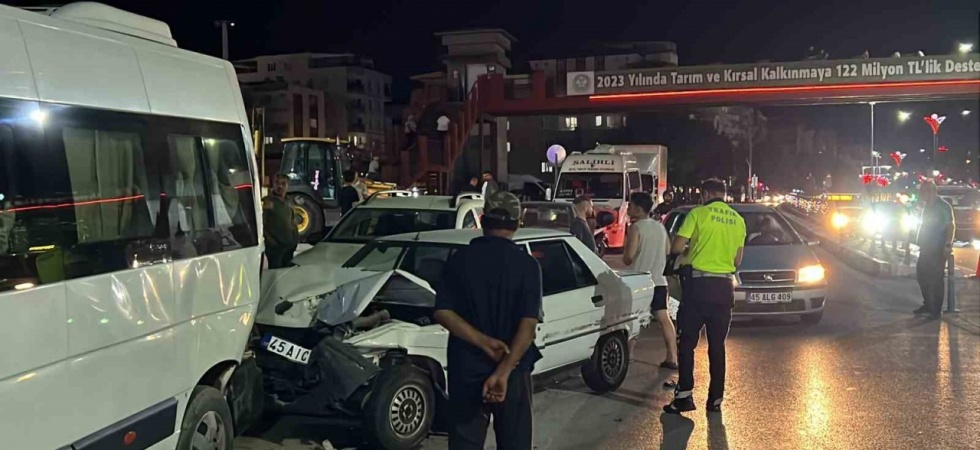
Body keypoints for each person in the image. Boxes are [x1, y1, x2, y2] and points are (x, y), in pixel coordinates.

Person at [434, 191, 542, 450]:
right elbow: (527, 328)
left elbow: (442, 312)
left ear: (483, 220)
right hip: (513, 373)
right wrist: (503, 372)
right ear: (517, 224)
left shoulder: (459, 261)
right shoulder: (527, 266)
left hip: (466, 371)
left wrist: (482, 342)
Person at [665, 179, 745, 414]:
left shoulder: (698, 214)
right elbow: (737, 261)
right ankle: (716, 399)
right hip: (723, 289)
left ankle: (684, 397)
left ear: (707, 194)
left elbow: (677, 247)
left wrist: (692, 251)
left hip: (698, 287)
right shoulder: (738, 220)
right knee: (717, 346)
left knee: (687, 343)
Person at [622, 192, 677, 369]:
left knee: (633, 318)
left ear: (638, 209)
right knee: (664, 318)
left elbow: (628, 257)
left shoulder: (636, 228)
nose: (628, 209)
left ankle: (629, 355)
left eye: (630, 206)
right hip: (659, 281)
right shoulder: (660, 227)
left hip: (639, 283)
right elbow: (668, 250)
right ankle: (672, 357)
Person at [914, 181, 955, 320]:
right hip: (926, 246)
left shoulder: (942, 206)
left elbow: (950, 226)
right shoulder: (927, 206)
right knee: (922, 275)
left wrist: (948, 245)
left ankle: (935, 310)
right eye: (924, 191)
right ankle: (928, 304)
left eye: (928, 191)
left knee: (936, 279)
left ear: (934, 191)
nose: (925, 194)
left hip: (938, 248)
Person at [262, 174, 299, 268]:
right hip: (275, 249)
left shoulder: (289, 201)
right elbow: (261, 224)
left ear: (288, 186)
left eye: (283, 183)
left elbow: (292, 220)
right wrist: (270, 241)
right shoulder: (267, 202)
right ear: (273, 184)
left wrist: (295, 239)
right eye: (277, 183)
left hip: (289, 247)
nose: (280, 186)